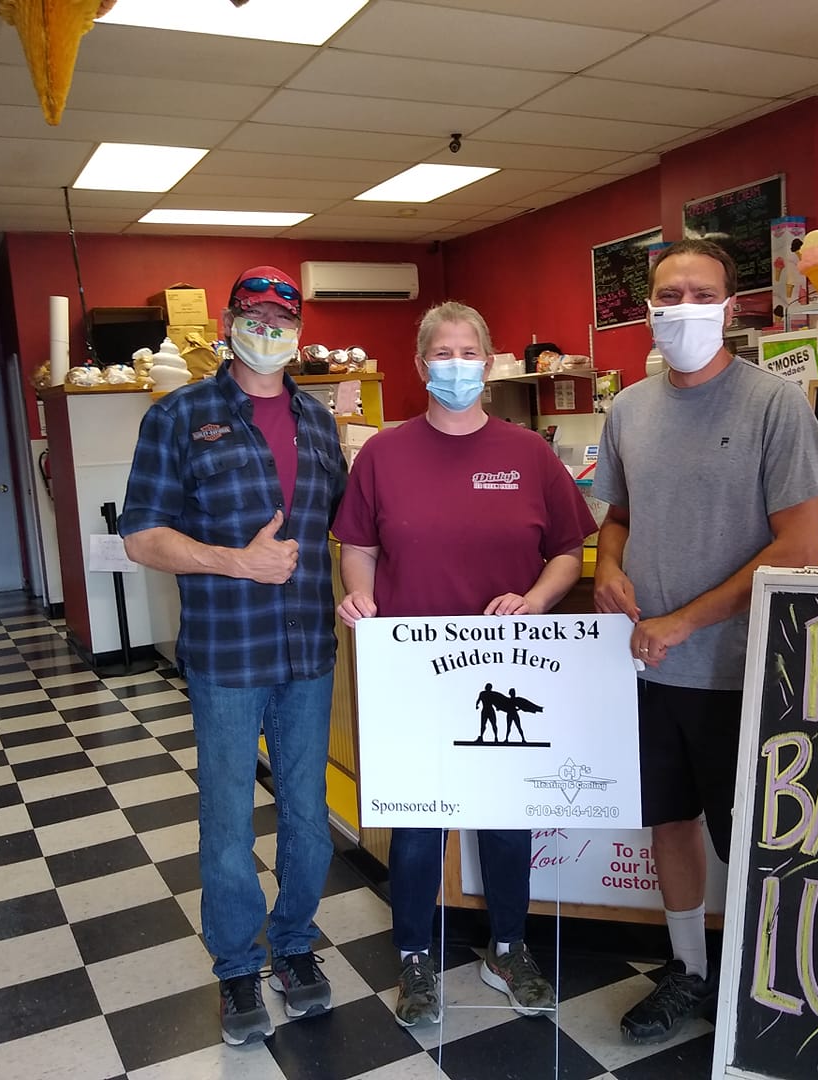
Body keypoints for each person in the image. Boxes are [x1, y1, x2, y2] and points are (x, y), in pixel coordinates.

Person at [592, 238, 818, 1045]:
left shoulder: (775, 404)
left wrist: (685, 621)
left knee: (752, 836)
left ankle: (759, 977)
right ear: (649, 308)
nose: (685, 308)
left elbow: (799, 546)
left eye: (703, 294)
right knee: (669, 822)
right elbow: (618, 515)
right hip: (648, 669)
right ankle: (689, 969)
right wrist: (607, 567)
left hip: (744, 672)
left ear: (731, 308)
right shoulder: (628, 410)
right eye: (670, 295)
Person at [333, 300, 597, 1029]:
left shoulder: (529, 454)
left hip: (505, 666)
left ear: (488, 361)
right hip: (414, 672)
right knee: (418, 824)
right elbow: (359, 546)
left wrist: (536, 600)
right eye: (442, 354)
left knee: (506, 816)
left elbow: (568, 552)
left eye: (468, 352)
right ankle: (414, 956)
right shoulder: (384, 455)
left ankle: (507, 947)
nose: (456, 366)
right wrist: (359, 594)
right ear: (422, 365)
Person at [120, 266, 347, 1046]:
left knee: (308, 818)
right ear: (227, 324)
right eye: (253, 317)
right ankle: (237, 965)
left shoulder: (318, 422)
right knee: (226, 822)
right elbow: (142, 536)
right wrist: (236, 562)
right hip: (226, 653)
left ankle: (294, 946)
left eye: (282, 320)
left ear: (300, 332)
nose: (268, 331)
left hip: (308, 650)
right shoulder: (179, 416)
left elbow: (350, 525)